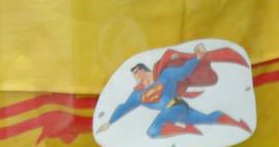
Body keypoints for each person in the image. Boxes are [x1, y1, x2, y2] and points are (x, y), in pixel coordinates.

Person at [97, 43, 251, 138]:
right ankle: (239, 125)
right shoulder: (137, 95)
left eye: (137, 73)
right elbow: (124, 107)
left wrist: (197, 58)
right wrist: (109, 122)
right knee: (207, 119)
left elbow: (184, 71)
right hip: (178, 110)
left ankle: (188, 130)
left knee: (153, 131)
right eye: (134, 75)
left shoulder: (165, 75)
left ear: (143, 70)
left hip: (174, 106)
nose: (136, 77)